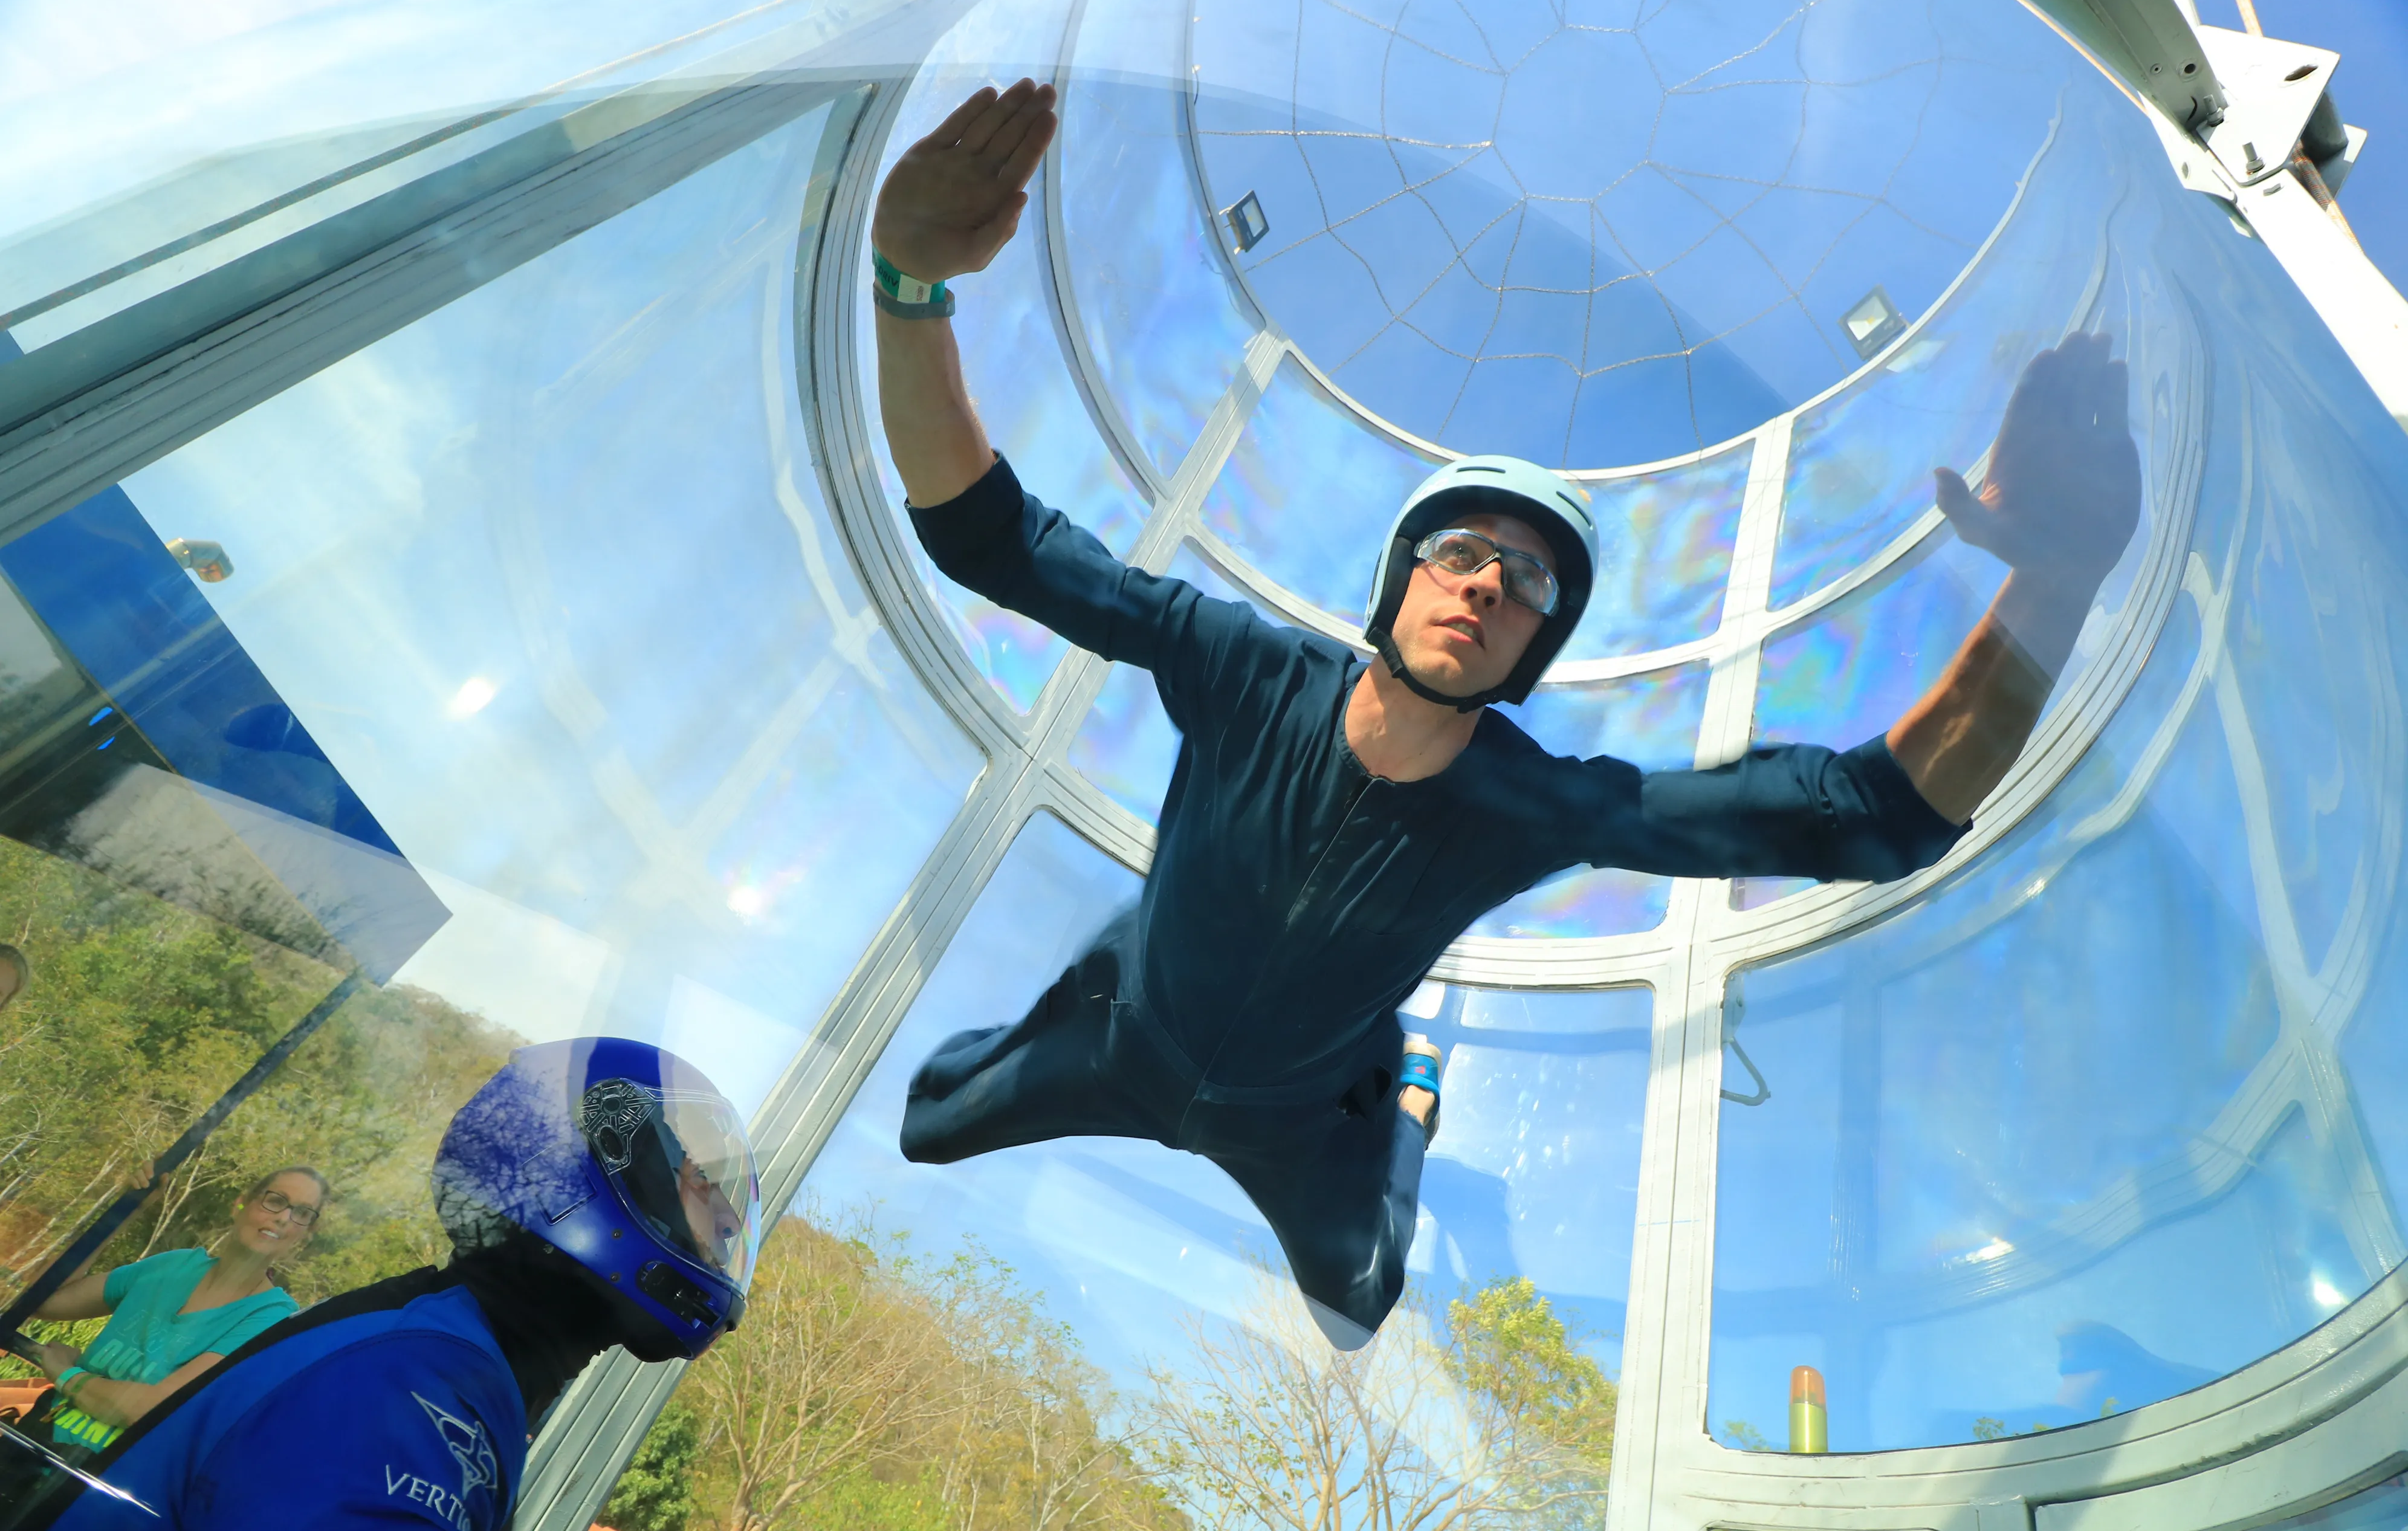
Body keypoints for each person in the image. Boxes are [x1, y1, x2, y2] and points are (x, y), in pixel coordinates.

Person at [870, 81, 2142, 1348]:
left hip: (1301, 1106)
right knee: (928, 1122)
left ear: (1534, 645)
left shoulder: (1534, 801)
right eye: (1461, 549)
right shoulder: (1240, 665)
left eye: (1528, 580)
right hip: (1130, 1039)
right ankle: (1118, 955)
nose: (1486, 580)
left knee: (1359, 1305)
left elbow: (1882, 813)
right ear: (1399, 579)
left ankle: (1401, 1104)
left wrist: (2061, 579)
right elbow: (997, 542)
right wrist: (908, 287)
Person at [3, 1038, 760, 1531]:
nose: (727, 1220)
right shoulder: (410, 1391)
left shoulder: (447, 1354)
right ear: (598, 1191)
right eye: (696, 1181)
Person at [14, 1167, 322, 1460]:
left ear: (304, 1238)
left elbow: (154, 1408)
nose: (283, 1218)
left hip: (101, 1482)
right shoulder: (172, 1266)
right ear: (240, 1204)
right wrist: (126, 1209)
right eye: (276, 1201)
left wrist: (68, 1376)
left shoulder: (272, 1318)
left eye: (302, 1213)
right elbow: (47, 1301)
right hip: (34, 1441)